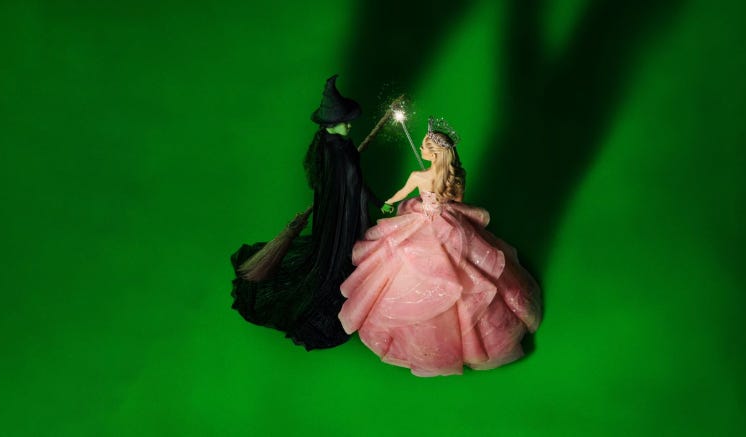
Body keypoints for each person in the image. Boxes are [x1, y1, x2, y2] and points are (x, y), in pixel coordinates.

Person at [338, 118, 542, 376]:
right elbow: (457, 201)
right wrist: (439, 201)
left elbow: (402, 194)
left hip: (424, 221)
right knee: (465, 265)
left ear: (434, 154)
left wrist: (387, 202)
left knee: (414, 264)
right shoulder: (456, 176)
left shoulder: (419, 176)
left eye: (424, 147)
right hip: (449, 221)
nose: (421, 150)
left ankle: (443, 344)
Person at [230, 75, 377, 350]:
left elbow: (352, 183)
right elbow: (354, 185)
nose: (349, 125)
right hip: (340, 216)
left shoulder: (335, 145)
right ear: (330, 125)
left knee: (344, 249)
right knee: (338, 253)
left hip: (338, 211)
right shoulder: (334, 152)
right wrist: (377, 202)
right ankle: (344, 284)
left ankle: (351, 277)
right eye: (344, 121)